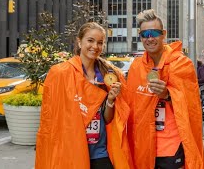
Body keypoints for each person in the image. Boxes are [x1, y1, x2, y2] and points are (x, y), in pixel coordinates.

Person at [35, 22, 132, 169]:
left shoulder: (109, 74)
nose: (95, 46)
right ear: (79, 42)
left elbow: (107, 119)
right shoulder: (60, 73)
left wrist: (111, 100)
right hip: (71, 150)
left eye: (100, 42)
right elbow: (51, 119)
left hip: (101, 152)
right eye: (90, 40)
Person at [126, 9, 204, 169]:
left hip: (171, 146)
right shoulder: (136, 67)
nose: (149, 38)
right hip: (143, 145)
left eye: (154, 33)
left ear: (163, 34)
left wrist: (167, 94)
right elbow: (130, 106)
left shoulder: (181, 64)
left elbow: (192, 106)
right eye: (144, 34)